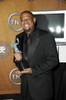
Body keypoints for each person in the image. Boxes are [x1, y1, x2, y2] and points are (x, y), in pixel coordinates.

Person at [13, 10, 58, 100]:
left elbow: (53, 61)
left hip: (42, 87)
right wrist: (17, 59)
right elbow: (17, 59)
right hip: (26, 87)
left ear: (34, 20)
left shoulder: (46, 36)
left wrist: (32, 70)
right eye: (22, 20)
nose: (25, 22)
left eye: (27, 19)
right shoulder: (19, 37)